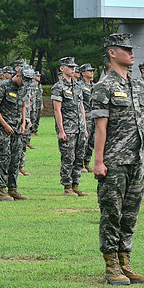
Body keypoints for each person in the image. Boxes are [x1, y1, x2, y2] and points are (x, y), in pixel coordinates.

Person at [91, 33, 144, 286]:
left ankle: (125, 261)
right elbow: (100, 127)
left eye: (131, 49)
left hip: (135, 161)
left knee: (130, 215)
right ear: (112, 53)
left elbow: (143, 125)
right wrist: (99, 161)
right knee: (111, 214)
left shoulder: (138, 85)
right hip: (114, 161)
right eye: (125, 49)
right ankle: (111, 265)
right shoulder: (103, 86)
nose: (131, 53)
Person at [0, 66, 29, 201]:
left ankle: (13, 189)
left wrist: (24, 123)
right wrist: (5, 125)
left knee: (15, 158)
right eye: (24, 80)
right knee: (3, 157)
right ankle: (2, 190)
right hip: (3, 128)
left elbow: (23, 106)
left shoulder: (24, 88)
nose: (25, 83)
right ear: (18, 75)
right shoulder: (3, 86)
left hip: (17, 128)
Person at [52, 57, 89, 197]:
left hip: (79, 128)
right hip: (68, 128)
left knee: (79, 157)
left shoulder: (78, 86)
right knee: (68, 158)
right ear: (62, 68)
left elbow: (82, 107)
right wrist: (61, 130)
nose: (73, 69)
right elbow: (57, 110)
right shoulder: (58, 87)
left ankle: (76, 184)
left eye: (74, 66)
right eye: (70, 66)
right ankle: (67, 186)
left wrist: (84, 127)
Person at [78, 64, 95, 173]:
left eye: (92, 71)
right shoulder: (79, 85)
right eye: (89, 71)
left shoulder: (94, 86)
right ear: (83, 73)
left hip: (94, 117)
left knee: (92, 141)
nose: (92, 73)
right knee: (84, 141)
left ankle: (87, 162)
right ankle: (80, 164)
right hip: (85, 117)